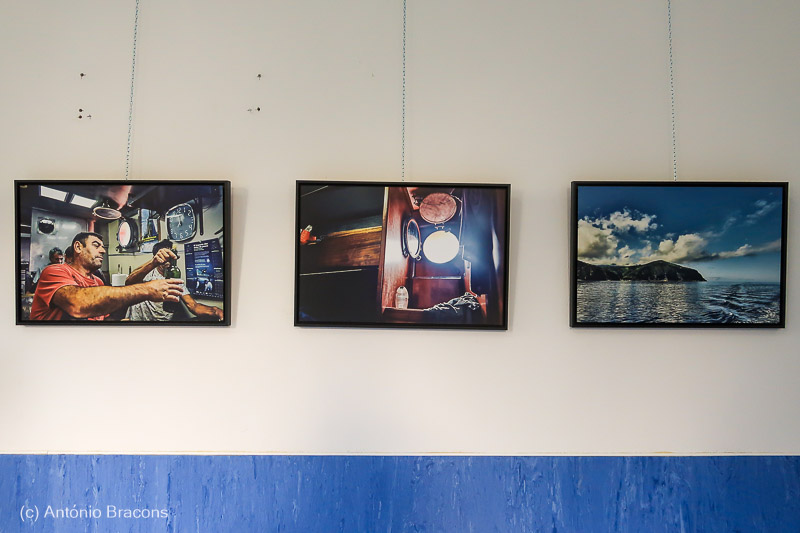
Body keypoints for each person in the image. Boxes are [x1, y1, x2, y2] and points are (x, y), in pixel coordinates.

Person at [30, 232, 184, 321]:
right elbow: (77, 304)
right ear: (78, 247)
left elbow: (103, 316)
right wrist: (147, 290)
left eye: (103, 247)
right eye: (96, 245)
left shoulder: (97, 281)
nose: (103, 251)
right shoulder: (54, 271)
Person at [124, 239, 224, 322]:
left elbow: (193, 305)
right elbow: (129, 282)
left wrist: (215, 311)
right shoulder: (146, 274)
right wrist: (153, 262)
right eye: (165, 256)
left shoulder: (175, 279)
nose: (168, 259)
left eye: (171, 256)